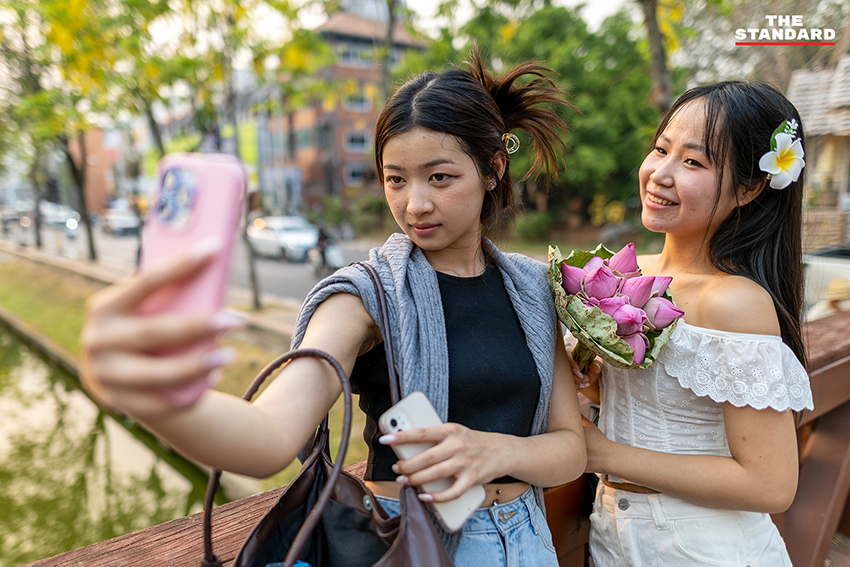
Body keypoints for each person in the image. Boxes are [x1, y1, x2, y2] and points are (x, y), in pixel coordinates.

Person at [78, 48, 587, 566]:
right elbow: (271, 434)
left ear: (493, 169)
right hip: (413, 543)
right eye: (395, 179)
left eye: (440, 177)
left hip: (528, 538)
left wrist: (498, 452)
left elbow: (570, 447)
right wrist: (165, 399)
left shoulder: (530, 288)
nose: (415, 203)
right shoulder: (365, 295)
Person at [569, 81, 814, 566]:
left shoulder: (735, 301)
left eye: (693, 162)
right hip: (614, 533)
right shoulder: (627, 276)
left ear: (751, 187)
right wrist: (594, 385)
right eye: (661, 149)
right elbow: (665, 403)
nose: (660, 173)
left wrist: (604, 455)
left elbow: (770, 483)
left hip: (703, 547)